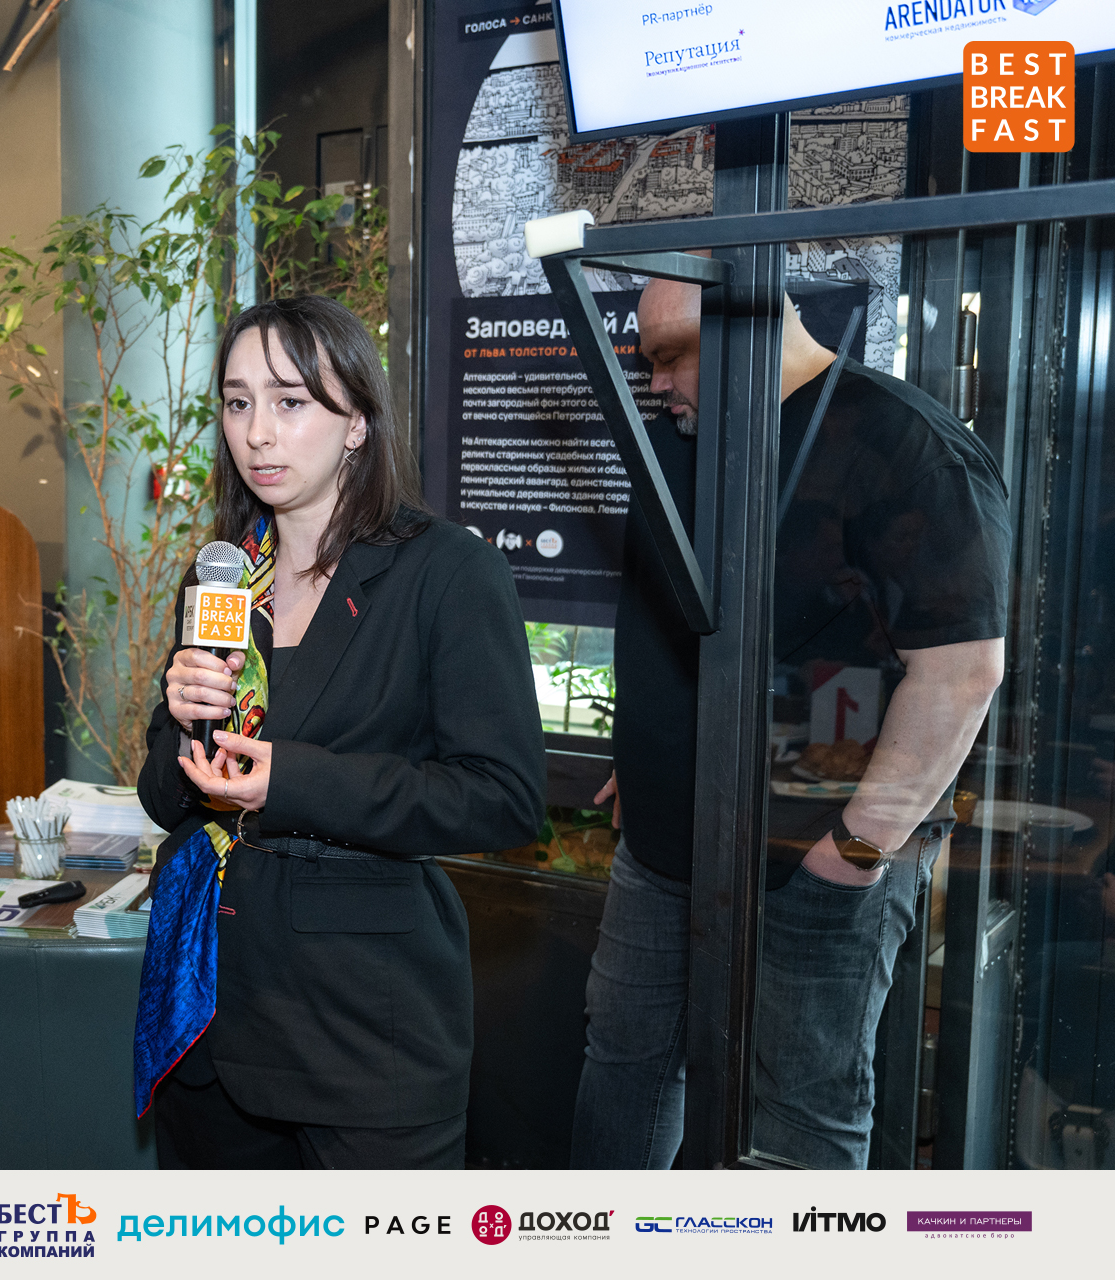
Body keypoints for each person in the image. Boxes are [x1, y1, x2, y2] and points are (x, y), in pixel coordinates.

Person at [571, 267, 1011, 1169]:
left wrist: (857, 846)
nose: (657, 383)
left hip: (819, 849)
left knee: (799, 1114)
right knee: (625, 1070)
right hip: (666, 839)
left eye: (671, 357)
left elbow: (962, 670)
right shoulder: (688, 436)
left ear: (746, 327)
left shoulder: (905, 443)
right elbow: (685, 624)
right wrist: (650, 751)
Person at [135, 295, 546, 1169]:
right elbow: (166, 796)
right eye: (238, 402)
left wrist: (290, 781)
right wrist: (179, 721)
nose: (257, 433)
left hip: (363, 1034)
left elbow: (504, 797)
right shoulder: (222, 577)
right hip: (209, 1022)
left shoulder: (446, 571)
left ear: (357, 420)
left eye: (290, 401)